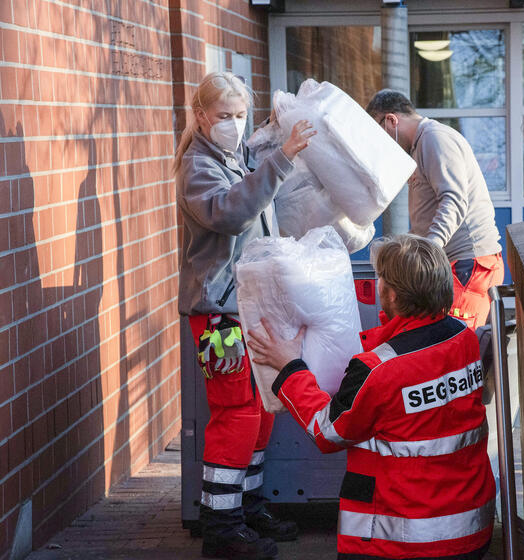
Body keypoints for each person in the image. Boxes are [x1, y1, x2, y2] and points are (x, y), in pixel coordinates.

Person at [247, 234, 495, 560]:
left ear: (390, 294)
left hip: (403, 541)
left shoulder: (377, 370)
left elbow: (327, 431)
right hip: (470, 529)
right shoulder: (462, 338)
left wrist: (289, 368)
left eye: (380, 280)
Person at [174, 71, 316, 559]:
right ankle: (222, 525)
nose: (234, 125)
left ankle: (247, 508)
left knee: (260, 412)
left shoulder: (235, 156)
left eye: (240, 115)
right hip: (218, 314)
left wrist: (277, 132)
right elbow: (231, 213)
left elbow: (257, 160)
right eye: (224, 117)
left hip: (249, 305)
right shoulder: (198, 167)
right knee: (235, 413)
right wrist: (282, 159)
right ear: (200, 118)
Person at [366, 90, 504, 330]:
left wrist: (426, 253)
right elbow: (428, 212)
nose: (382, 146)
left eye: (379, 135)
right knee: (438, 343)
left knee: (455, 345)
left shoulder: (434, 138)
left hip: (468, 264)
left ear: (391, 120)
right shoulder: (419, 146)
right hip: (454, 264)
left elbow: (453, 199)